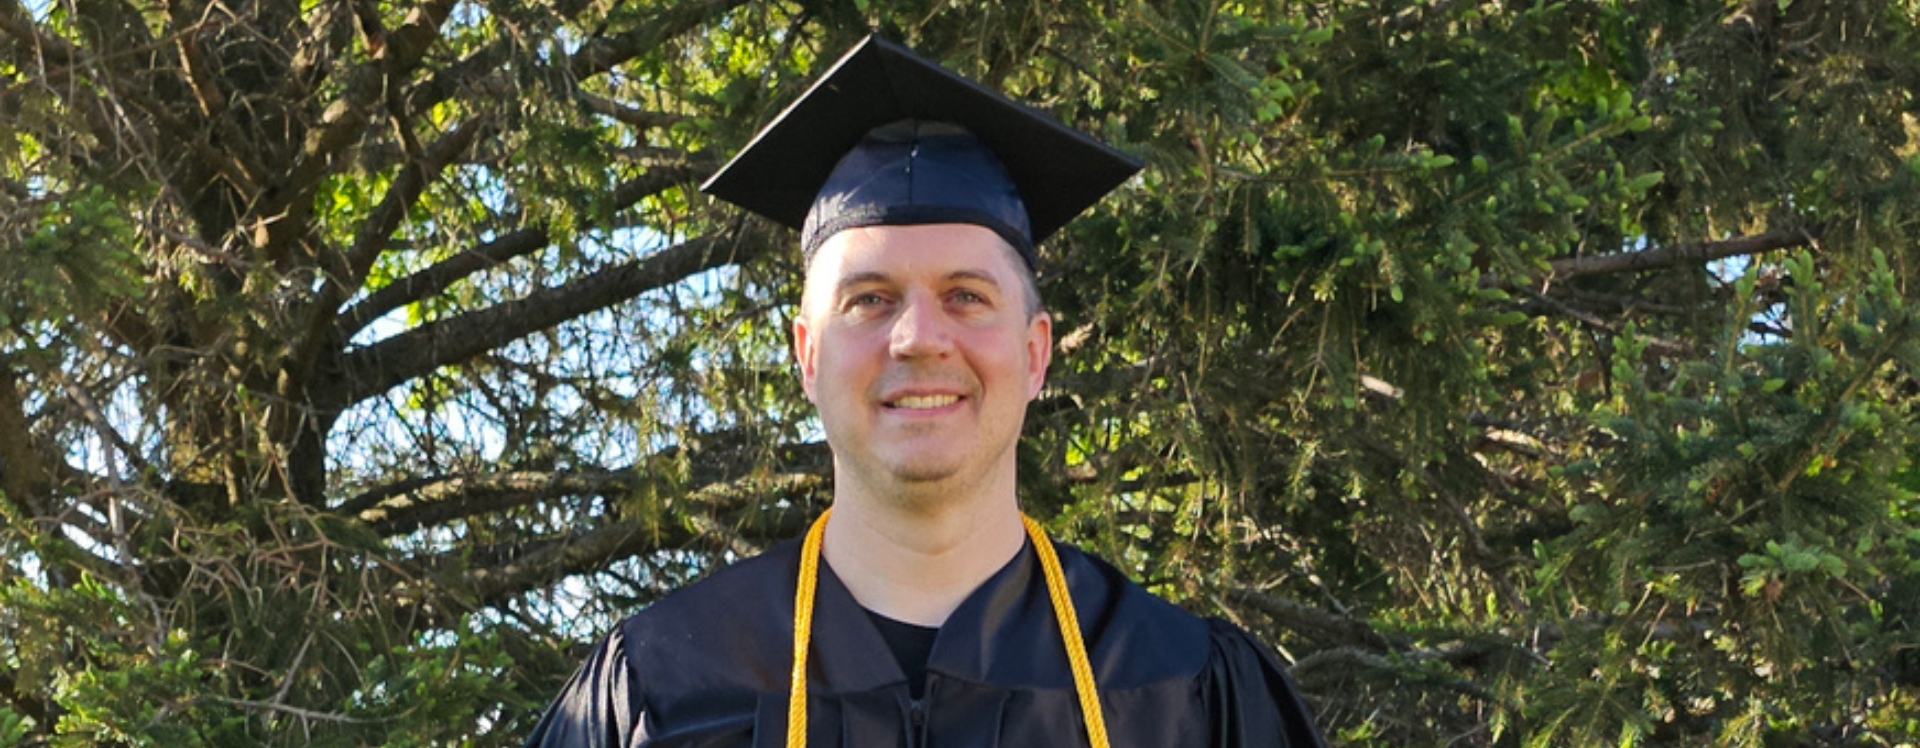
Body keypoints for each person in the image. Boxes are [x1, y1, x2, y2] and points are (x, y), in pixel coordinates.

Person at [522, 35, 1328, 748]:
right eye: (868, 299)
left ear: (1035, 350)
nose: (917, 337)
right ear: (807, 355)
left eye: (966, 296)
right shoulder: (661, 689)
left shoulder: (1182, 689)